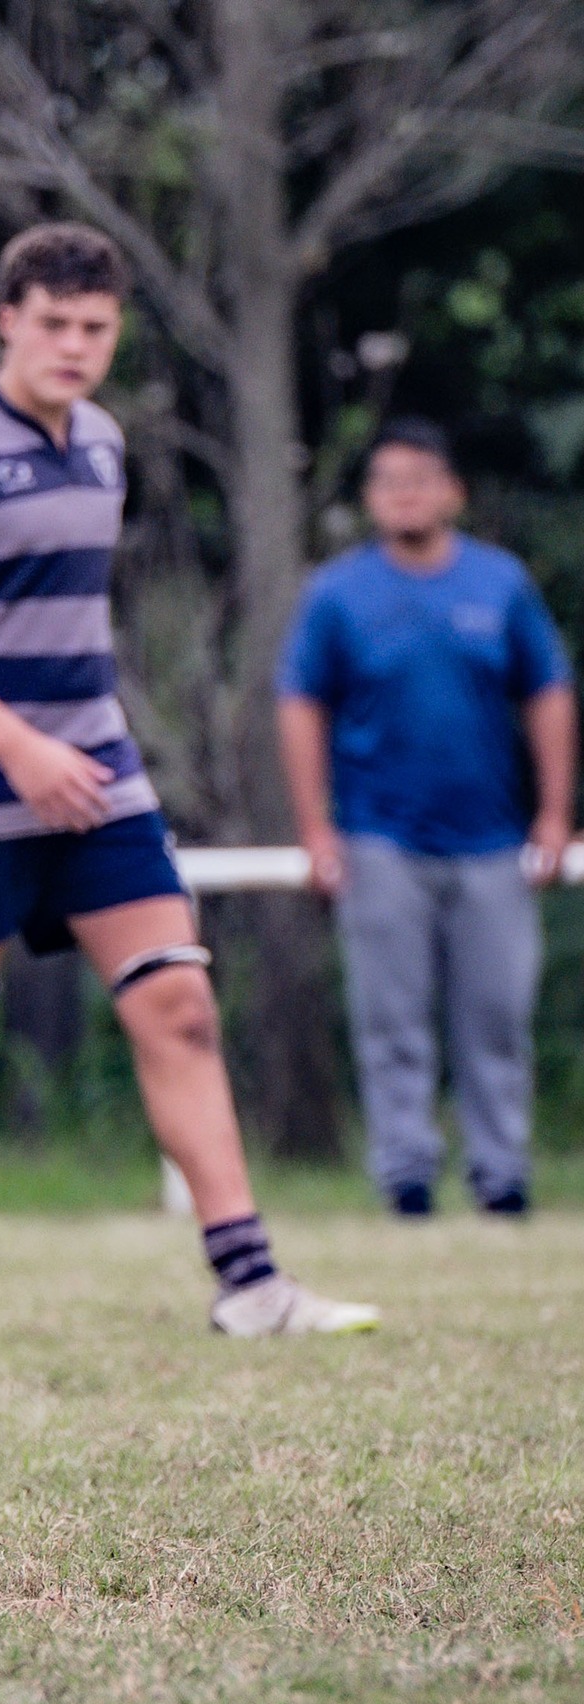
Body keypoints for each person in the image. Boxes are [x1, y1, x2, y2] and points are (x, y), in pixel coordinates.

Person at [0, 222, 378, 1340]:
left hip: (93, 778)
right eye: (52, 325)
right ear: (6, 319)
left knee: (178, 1002)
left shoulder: (101, 443)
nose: (73, 347)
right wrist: (13, 747)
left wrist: (63, 748)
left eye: (94, 328)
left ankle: (249, 1282)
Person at [278, 418, 574, 1217]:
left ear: (452, 490)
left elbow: (547, 691)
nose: (405, 493)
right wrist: (316, 827)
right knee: (391, 1019)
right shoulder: (336, 592)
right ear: (370, 497)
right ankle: (406, 1177)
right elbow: (300, 703)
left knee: (497, 1016)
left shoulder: (500, 584)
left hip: (492, 839)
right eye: (388, 480)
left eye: (420, 477)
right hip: (381, 836)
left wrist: (553, 814)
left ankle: (501, 1174)